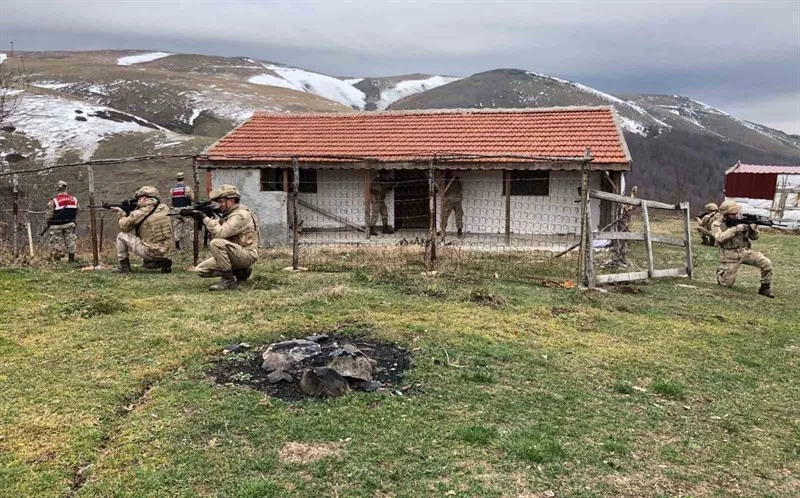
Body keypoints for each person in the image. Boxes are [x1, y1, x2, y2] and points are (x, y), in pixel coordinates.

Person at [188, 184, 259, 290]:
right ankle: (241, 272)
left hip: (247, 254)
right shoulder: (230, 214)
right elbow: (219, 225)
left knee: (216, 242)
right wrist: (204, 217)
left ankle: (228, 281)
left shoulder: (240, 215)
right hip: (235, 253)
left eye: (221, 202)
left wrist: (204, 218)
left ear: (231, 200)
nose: (219, 205)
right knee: (201, 270)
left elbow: (221, 233)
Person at [711, 200, 774, 298]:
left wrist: (752, 230)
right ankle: (721, 272)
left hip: (744, 251)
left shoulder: (742, 221)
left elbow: (755, 237)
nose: (736, 215)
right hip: (729, 254)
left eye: (737, 213)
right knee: (726, 284)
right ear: (726, 215)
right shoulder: (717, 224)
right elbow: (719, 238)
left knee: (766, 263)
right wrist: (735, 229)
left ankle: (765, 288)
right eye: (733, 214)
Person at [111, 186, 173, 273]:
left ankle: (124, 267)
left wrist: (122, 214)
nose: (138, 200)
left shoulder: (140, 213)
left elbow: (124, 227)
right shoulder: (164, 208)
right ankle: (162, 262)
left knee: (121, 236)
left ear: (144, 197)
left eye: (139, 197)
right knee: (146, 264)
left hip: (150, 251)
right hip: (165, 248)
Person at [44, 180, 79, 262]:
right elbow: (77, 210)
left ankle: (57, 260)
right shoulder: (74, 199)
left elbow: (49, 215)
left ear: (57, 189)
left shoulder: (53, 201)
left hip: (56, 225)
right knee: (70, 240)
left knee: (56, 242)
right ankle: (71, 259)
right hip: (70, 223)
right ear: (66, 188)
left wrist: (48, 222)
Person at [169, 172, 195, 251]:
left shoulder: (172, 190)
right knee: (191, 228)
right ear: (183, 178)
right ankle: (193, 245)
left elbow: (171, 201)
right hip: (186, 210)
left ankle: (177, 246)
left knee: (177, 228)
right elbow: (193, 199)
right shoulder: (186, 188)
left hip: (176, 211)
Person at [369, 171, 394, 236]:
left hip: (381, 200)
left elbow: (386, 189)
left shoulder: (382, 181)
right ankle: (371, 230)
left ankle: (385, 228)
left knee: (385, 214)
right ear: (380, 174)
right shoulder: (376, 181)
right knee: (375, 216)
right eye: (384, 175)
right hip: (376, 200)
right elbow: (380, 189)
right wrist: (389, 184)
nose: (385, 176)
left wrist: (390, 185)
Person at [440, 172, 464, 238]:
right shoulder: (457, 180)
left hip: (449, 200)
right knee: (458, 215)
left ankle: (443, 230)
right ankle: (459, 230)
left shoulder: (445, 180)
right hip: (457, 199)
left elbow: (440, 190)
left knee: (444, 215)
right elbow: (461, 189)